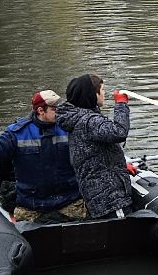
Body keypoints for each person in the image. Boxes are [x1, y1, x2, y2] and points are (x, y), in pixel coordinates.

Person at [0, 90, 86, 220]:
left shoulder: (68, 128)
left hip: (69, 200)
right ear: (40, 110)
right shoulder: (18, 132)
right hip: (33, 204)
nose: (61, 112)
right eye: (55, 109)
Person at [52, 73, 136, 218]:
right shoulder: (89, 121)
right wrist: (121, 105)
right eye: (102, 90)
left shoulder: (77, 118)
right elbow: (119, 132)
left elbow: (92, 154)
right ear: (93, 94)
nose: (104, 93)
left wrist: (120, 165)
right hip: (111, 199)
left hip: (96, 196)